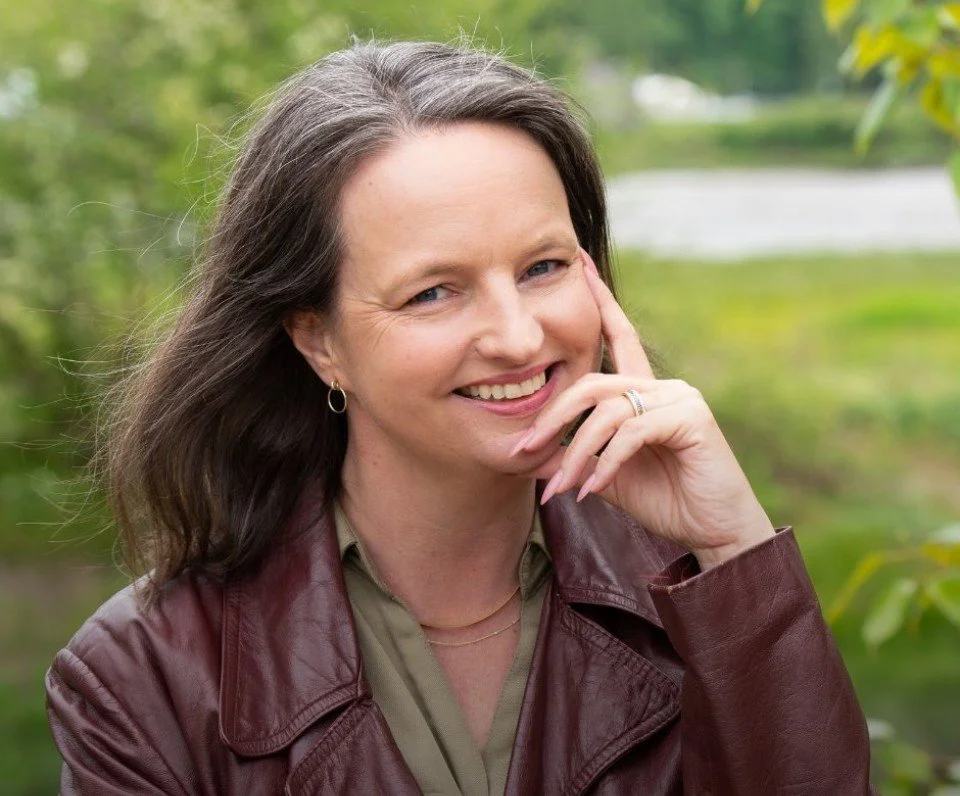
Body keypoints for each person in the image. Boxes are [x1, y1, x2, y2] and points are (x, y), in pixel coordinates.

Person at [45, 40, 875, 795]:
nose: (518, 337)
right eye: (433, 292)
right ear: (318, 340)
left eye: (544, 266)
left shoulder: (701, 597)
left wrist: (736, 553)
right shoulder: (142, 676)